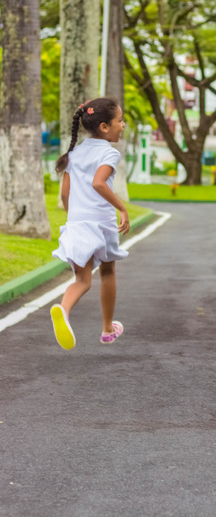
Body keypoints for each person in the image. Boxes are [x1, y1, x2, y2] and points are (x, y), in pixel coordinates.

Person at [50, 97, 130, 350]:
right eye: (120, 120)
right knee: (107, 271)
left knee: (82, 280)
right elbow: (98, 183)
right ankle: (107, 329)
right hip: (101, 223)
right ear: (105, 127)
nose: (123, 125)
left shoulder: (75, 152)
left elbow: (65, 194)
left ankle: (63, 309)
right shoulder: (109, 152)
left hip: (77, 222)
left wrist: (74, 218)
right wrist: (121, 207)